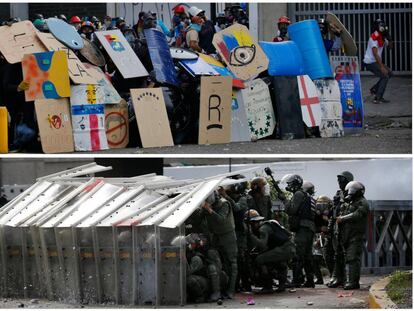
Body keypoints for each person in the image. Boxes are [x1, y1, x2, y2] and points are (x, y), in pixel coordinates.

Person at [244, 209, 295, 293]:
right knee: (277, 260)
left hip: (284, 249)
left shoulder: (263, 229)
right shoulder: (271, 223)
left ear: (252, 223)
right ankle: (281, 285)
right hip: (289, 248)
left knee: (259, 259)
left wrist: (251, 235)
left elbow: (263, 245)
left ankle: (268, 286)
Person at [280, 174, 316, 288]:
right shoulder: (304, 194)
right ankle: (309, 280)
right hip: (308, 228)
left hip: (303, 228)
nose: (289, 186)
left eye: (290, 183)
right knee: (307, 256)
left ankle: (297, 280)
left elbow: (292, 210)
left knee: (298, 255)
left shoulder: (298, 194)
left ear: (295, 184)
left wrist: (284, 200)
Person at [201, 190, 238, 299]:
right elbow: (200, 218)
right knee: (217, 262)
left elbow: (221, 219)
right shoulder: (208, 205)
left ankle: (231, 290)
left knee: (232, 263)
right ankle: (218, 290)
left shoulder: (224, 203)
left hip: (228, 235)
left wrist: (209, 210)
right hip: (216, 236)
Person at [336, 181, 368, 290]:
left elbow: (358, 214)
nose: (351, 192)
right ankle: (349, 280)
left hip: (356, 235)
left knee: (353, 258)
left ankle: (353, 282)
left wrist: (343, 218)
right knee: (348, 259)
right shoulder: (350, 203)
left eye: (353, 190)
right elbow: (341, 214)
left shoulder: (363, 202)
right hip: (348, 235)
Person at [220, 177, 251, 292]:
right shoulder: (229, 198)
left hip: (240, 232)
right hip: (231, 231)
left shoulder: (243, 198)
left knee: (240, 259)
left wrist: (226, 196)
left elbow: (237, 208)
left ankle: (244, 283)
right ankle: (235, 284)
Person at [327, 171, 354, 288]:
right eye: (339, 180)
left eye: (342, 180)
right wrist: (330, 226)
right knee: (335, 254)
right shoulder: (338, 193)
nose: (339, 182)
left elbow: (352, 208)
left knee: (344, 255)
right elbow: (334, 210)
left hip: (346, 227)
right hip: (336, 225)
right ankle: (337, 277)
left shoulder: (352, 192)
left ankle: (345, 278)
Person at [363, 19, 393, 104]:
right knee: (385, 76)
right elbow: (375, 54)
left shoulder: (382, 37)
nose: (382, 27)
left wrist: (389, 37)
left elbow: (390, 47)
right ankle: (377, 98)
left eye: (383, 25)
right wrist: (382, 67)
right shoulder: (374, 37)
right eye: (380, 25)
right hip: (369, 62)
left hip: (375, 61)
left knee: (390, 73)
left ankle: (374, 89)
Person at [315, 195, 335, 280]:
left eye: (324, 204)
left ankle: (334, 276)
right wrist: (320, 229)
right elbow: (314, 226)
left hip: (332, 238)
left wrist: (328, 221)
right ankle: (320, 278)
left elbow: (337, 222)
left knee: (331, 258)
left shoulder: (333, 212)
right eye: (320, 204)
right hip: (320, 238)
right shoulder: (316, 215)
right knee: (317, 258)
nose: (322, 207)